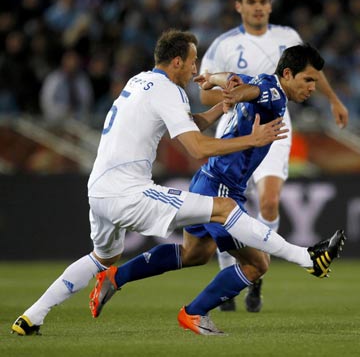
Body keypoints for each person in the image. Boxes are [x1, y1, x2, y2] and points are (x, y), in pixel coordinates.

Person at [10, 30, 339, 337]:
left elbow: (192, 121)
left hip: (98, 189)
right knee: (231, 221)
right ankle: (306, 259)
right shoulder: (170, 90)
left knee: (110, 257)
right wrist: (250, 139)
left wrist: (218, 108)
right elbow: (197, 147)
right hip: (131, 192)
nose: (197, 67)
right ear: (178, 62)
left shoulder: (141, 81)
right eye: (194, 60)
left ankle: (32, 316)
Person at [199, 0, 349, 312]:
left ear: (270, 5)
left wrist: (334, 100)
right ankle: (231, 274)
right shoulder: (224, 44)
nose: (258, 7)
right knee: (227, 206)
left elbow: (313, 72)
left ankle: (257, 271)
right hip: (236, 125)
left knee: (268, 202)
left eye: (263, 1)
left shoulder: (288, 38)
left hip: (276, 126)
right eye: (251, 1)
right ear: (239, 6)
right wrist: (227, 98)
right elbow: (205, 88)